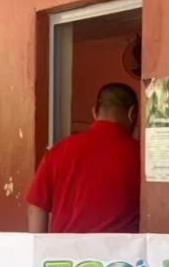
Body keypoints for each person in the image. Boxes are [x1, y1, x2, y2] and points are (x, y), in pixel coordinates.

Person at [25, 83, 140, 233]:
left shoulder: (60, 149)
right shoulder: (141, 155)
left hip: (65, 247)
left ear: (94, 112)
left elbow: (36, 206)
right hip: (122, 248)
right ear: (132, 114)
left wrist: (40, 245)